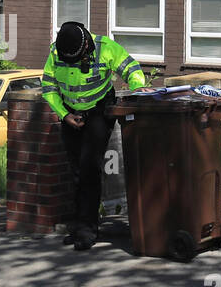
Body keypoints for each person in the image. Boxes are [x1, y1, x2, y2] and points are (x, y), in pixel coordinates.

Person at [41, 21, 146, 250]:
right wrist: (64, 115)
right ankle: (79, 226)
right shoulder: (56, 52)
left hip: (99, 110)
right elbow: (48, 88)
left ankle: (87, 231)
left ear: (86, 45)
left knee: (89, 168)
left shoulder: (105, 48)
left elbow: (132, 69)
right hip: (70, 114)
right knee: (77, 170)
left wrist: (136, 90)